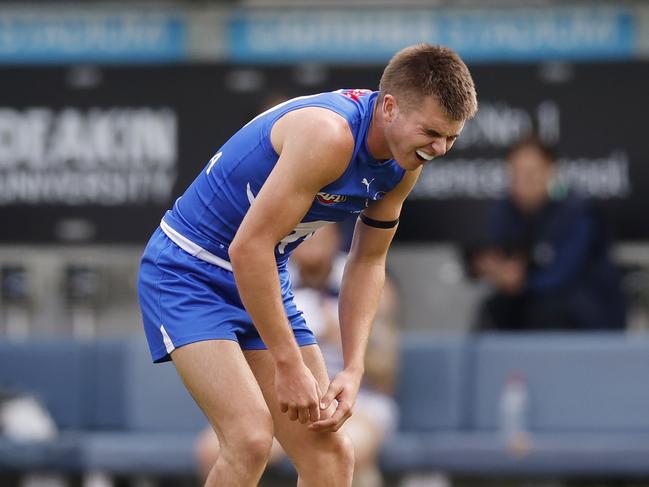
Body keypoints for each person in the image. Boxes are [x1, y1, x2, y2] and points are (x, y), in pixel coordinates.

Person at [137, 44, 477, 487]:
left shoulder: (405, 164)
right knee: (250, 438)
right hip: (188, 271)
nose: (440, 149)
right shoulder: (329, 135)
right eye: (432, 132)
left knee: (331, 455)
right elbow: (247, 248)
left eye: (451, 138)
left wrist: (353, 368)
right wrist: (288, 364)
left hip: (261, 273)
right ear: (389, 107)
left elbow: (368, 260)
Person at [195, 224, 401, 487]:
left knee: (346, 451)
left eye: (320, 236)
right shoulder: (264, 282)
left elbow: (385, 375)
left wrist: (338, 334)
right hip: (285, 401)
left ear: (336, 239)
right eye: (305, 237)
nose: (311, 243)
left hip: (358, 402)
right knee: (215, 450)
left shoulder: (368, 283)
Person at [469, 135, 626, 331]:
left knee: (549, 313)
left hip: (582, 309)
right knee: (492, 310)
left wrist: (521, 282)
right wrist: (492, 269)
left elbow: (564, 272)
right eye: (516, 174)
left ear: (550, 171)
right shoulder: (505, 210)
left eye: (531, 173)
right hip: (529, 301)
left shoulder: (578, 212)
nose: (523, 182)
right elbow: (494, 253)